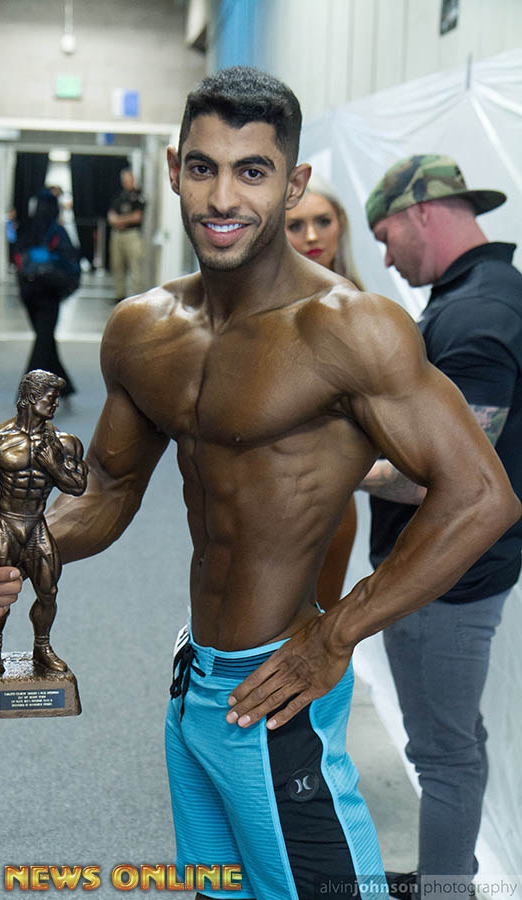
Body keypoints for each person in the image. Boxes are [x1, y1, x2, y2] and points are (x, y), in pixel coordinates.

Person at [0, 71, 520, 900]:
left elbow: (480, 495)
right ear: (174, 170)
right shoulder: (143, 329)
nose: (223, 197)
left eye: (252, 171)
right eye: (203, 168)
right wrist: (21, 551)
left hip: (277, 694)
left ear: (292, 184)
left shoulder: (350, 329)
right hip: (195, 680)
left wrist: (337, 636)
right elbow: (108, 486)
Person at [360, 154, 522, 899]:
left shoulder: (476, 313)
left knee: (444, 754)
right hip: (453, 569)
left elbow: (453, 476)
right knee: (455, 744)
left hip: (445, 578)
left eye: (385, 237)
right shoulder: (483, 294)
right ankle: (444, 880)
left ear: (420, 212)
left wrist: (335, 469)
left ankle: (445, 891)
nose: (387, 257)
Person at [0, 369, 87, 677]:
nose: (55, 404)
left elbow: (78, 486)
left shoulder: (65, 444)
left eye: (57, 398)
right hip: (5, 524)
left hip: (36, 525)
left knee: (48, 592)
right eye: (50, 398)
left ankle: (42, 647)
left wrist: (54, 467)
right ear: (30, 398)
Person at [285, 178, 363, 610]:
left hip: (331, 498)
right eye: (296, 226)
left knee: (318, 625)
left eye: (323, 222)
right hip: (254, 497)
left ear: (341, 226)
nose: (312, 236)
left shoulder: (366, 313)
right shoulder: (254, 312)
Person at [15, 189, 80, 395]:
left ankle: (42, 389)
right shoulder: (54, 232)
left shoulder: (36, 230)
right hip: (44, 294)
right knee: (44, 341)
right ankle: (38, 391)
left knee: (44, 341)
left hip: (38, 294)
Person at [107, 168, 146, 302]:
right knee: (117, 265)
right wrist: (122, 220)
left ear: (133, 180)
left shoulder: (138, 196)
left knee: (135, 266)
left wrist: (120, 220)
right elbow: (111, 216)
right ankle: (120, 295)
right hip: (118, 235)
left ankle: (135, 297)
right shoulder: (119, 196)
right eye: (124, 180)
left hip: (132, 235)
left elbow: (137, 217)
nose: (126, 182)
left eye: (128, 180)